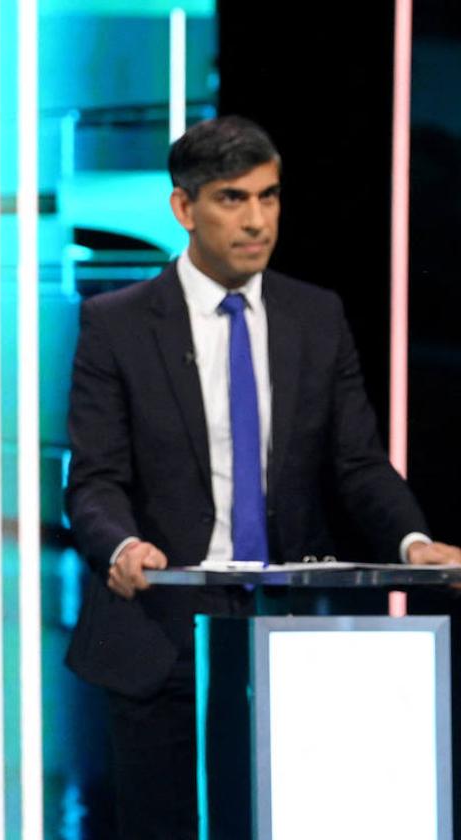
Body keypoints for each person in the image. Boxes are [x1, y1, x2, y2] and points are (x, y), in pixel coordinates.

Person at [63, 115, 461, 839]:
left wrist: (412, 541)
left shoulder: (316, 315)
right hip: (165, 635)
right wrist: (122, 547)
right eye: (232, 199)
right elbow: (93, 478)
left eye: (269, 197)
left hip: (294, 639)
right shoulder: (115, 324)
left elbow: (358, 462)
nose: (257, 221)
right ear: (184, 208)